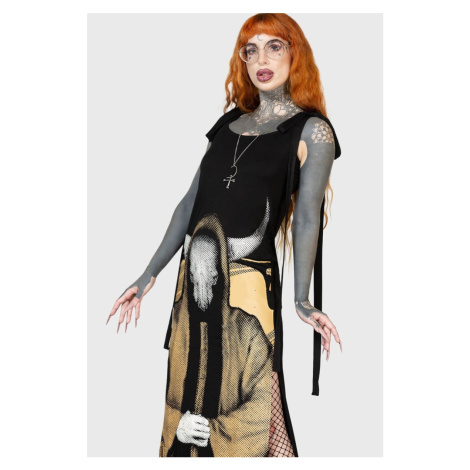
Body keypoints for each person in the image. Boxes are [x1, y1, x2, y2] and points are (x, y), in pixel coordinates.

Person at [107, 13, 343, 458]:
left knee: (258, 406)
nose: (261, 60)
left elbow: (308, 218)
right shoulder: (228, 124)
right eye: (251, 50)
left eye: (274, 46)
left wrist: (302, 299)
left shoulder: (313, 131)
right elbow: (188, 204)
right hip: (192, 287)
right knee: (191, 408)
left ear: (295, 53)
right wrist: (147, 276)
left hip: (248, 290)